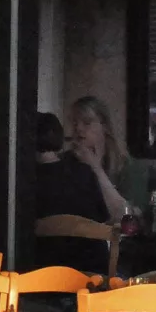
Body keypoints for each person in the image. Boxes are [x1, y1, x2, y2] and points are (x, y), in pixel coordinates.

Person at [32, 112, 111, 272]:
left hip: (45, 274)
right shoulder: (84, 172)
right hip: (93, 272)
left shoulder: (24, 181)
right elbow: (102, 218)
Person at [67, 95, 154, 219]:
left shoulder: (129, 167)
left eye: (87, 123)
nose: (78, 129)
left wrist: (96, 169)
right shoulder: (66, 163)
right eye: (75, 123)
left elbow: (130, 217)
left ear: (105, 126)